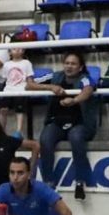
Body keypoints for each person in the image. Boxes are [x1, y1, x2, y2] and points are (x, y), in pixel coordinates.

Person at [27, 51, 98, 201]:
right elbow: (29, 85)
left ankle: (79, 182)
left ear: (80, 67)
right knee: (45, 139)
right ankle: (48, 183)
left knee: (76, 138)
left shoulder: (85, 78)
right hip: (57, 122)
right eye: (67, 63)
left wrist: (74, 100)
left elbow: (87, 90)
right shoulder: (55, 76)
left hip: (80, 123)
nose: (69, 66)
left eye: (73, 64)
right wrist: (50, 87)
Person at [0, 43, 35, 137]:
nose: (17, 50)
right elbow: (4, 78)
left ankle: (18, 131)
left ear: (23, 50)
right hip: (8, 91)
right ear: (9, 52)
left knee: (19, 110)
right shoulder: (6, 64)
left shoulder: (27, 63)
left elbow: (30, 78)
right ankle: (1, 131)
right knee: (3, 110)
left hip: (21, 91)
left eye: (19, 48)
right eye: (14, 48)